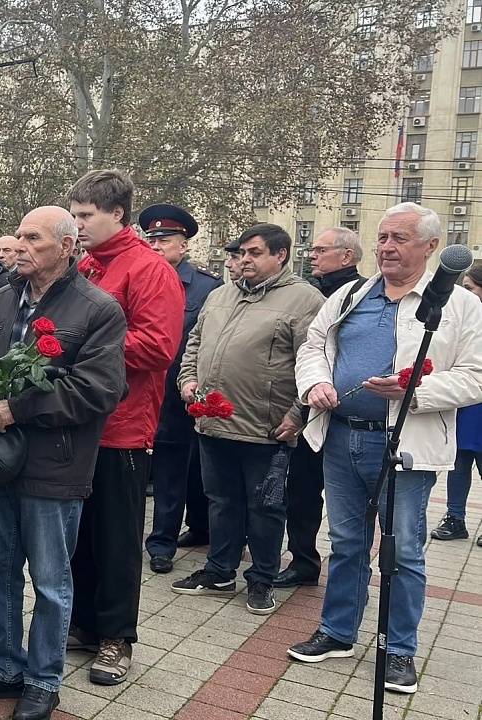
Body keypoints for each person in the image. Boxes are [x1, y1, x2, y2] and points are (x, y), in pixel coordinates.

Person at [288, 202, 482, 694]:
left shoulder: (460, 305)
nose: (387, 247)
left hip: (404, 445)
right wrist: (315, 384)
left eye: (400, 238)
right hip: (340, 435)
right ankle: (338, 633)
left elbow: (475, 376)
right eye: (382, 237)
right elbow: (313, 345)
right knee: (347, 544)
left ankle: (398, 650)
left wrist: (414, 393)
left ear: (431, 247)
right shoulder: (353, 293)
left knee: (404, 552)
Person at [0, 206, 127, 720]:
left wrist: (20, 407)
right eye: (19, 236)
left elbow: (100, 389)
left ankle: (44, 680)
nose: (20, 246)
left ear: (67, 246)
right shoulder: (0, 299)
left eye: (34, 237)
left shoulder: (97, 309)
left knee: (51, 580)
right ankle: (4, 665)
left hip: (56, 464)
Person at [64, 170, 184, 685]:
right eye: (73, 215)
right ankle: (84, 624)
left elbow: (159, 347)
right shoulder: (86, 266)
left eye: (85, 215)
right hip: (75, 419)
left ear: (117, 214)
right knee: (79, 533)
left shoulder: (150, 270)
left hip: (123, 426)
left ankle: (117, 638)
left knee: (115, 536)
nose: (77, 224)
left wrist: (81, 346)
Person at [171, 223, 323, 614]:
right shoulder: (221, 294)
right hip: (212, 420)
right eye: (242, 253)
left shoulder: (304, 300)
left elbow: (316, 362)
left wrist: (297, 414)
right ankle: (220, 571)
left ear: (280, 256)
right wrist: (188, 380)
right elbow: (195, 344)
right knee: (220, 501)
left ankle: (262, 579)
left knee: (265, 508)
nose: (245, 260)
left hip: (267, 427)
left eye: (255, 253)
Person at [275, 228, 366, 588]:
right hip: (309, 406)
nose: (312, 255)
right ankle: (303, 560)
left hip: (338, 410)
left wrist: (299, 409)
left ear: (347, 256)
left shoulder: (358, 296)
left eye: (320, 250)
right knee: (301, 489)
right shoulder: (309, 292)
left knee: (338, 495)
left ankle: (345, 570)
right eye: (310, 250)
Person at [140, 204, 222, 574]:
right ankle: (162, 538)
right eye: (151, 239)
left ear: (184, 245)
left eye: (165, 240)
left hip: (181, 393)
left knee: (181, 470)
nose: (155, 245)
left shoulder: (206, 288)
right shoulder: (139, 278)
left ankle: (164, 542)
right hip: (143, 389)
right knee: (162, 470)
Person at [432, 263, 482, 543]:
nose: (463, 294)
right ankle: (455, 518)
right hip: (464, 405)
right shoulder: (461, 319)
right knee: (458, 464)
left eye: (469, 288)